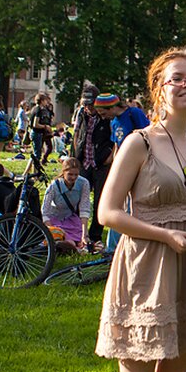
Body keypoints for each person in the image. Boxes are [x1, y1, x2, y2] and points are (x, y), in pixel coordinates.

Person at [95, 48, 186, 372]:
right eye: (177, 78)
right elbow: (108, 212)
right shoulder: (140, 143)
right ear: (159, 89)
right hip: (145, 269)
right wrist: (164, 235)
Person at [100, 93, 150, 252]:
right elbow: (117, 146)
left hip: (139, 165)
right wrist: (115, 165)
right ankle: (112, 248)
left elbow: (148, 135)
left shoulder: (133, 114)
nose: (104, 117)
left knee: (132, 206)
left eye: (104, 112)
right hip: (123, 167)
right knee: (117, 205)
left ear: (113, 107)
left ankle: (133, 243)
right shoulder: (114, 122)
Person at [72, 85, 112, 252]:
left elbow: (114, 139)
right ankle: (76, 233)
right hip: (84, 162)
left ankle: (95, 236)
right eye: (85, 104)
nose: (88, 108)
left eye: (91, 104)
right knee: (78, 199)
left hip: (100, 164)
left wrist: (109, 158)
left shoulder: (106, 117)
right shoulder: (81, 114)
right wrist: (74, 157)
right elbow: (76, 135)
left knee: (99, 201)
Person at [42, 157, 90, 252]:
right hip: (54, 219)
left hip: (70, 218)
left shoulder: (83, 183)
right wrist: (52, 231)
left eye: (76, 174)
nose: (73, 177)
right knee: (66, 240)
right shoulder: (54, 186)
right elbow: (45, 212)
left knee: (80, 240)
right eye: (70, 174)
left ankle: (70, 245)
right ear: (63, 172)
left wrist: (85, 234)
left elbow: (84, 208)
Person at [28, 93, 54, 164]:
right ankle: (35, 173)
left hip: (37, 133)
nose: (47, 102)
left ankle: (31, 172)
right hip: (37, 133)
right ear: (42, 101)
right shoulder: (38, 109)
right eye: (45, 100)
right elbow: (35, 124)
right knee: (37, 155)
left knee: (36, 154)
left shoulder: (34, 109)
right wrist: (45, 126)